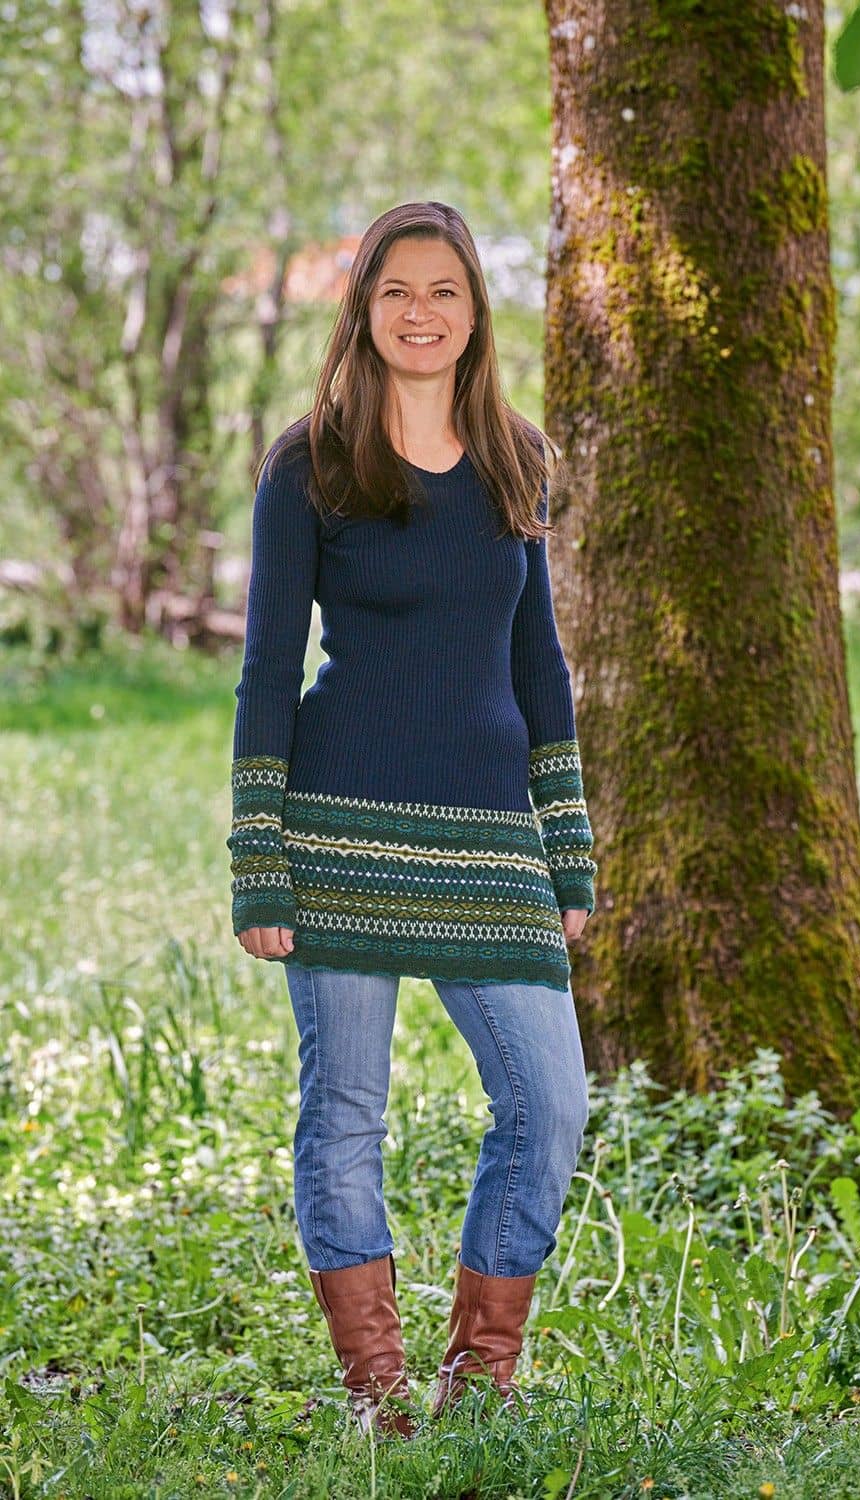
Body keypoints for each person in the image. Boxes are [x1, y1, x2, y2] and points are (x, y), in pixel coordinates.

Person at [225, 201, 598, 1438]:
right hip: (338, 835)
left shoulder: (519, 460)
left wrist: (567, 843)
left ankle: (481, 1378)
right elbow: (268, 668)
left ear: (474, 309)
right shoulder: (311, 461)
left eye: (444, 290)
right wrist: (259, 863)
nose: (421, 312)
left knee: (549, 1105)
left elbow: (539, 665)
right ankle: (379, 1394)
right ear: (365, 309)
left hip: (492, 838)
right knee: (345, 1111)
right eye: (398, 291)